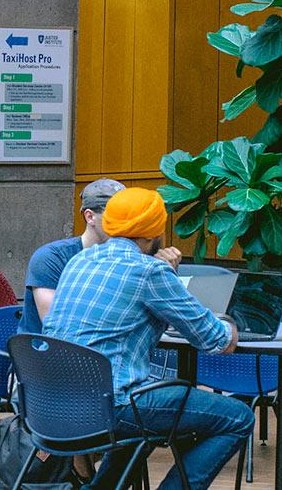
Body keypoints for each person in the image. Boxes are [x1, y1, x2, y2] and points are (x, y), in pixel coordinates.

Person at [42, 188, 252, 490]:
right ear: (156, 231)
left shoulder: (80, 261)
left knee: (145, 417)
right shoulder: (150, 271)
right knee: (237, 418)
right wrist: (229, 322)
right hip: (113, 405)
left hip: (53, 401)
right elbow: (217, 341)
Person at [21, 179, 182, 334]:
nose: (123, 223)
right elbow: (58, 325)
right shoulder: (51, 258)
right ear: (89, 216)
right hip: (46, 355)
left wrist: (162, 279)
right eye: (113, 215)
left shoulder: (136, 256)